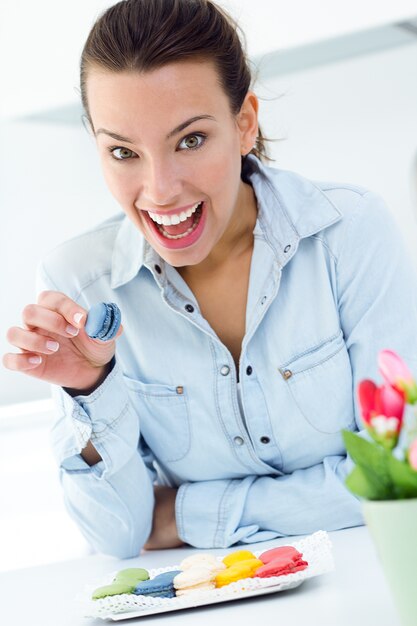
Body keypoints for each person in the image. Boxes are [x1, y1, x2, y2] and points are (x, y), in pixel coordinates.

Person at [4, 0, 417, 558]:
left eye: (190, 140)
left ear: (244, 123)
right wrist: (89, 389)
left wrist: (188, 512)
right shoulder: (80, 283)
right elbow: (119, 535)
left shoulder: (349, 234)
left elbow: (398, 478)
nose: (160, 190)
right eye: (123, 151)